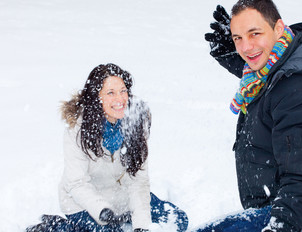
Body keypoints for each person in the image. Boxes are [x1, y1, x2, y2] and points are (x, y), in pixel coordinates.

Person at [197, 0, 302, 232]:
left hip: (301, 216)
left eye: (254, 34)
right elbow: (268, 79)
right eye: (238, 38)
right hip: (277, 209)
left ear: (278, 28)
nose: (245, 47)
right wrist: (230, 53)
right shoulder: (278, 71)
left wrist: (280, 226)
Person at [26, 63, 188, 232]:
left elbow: (138, 183)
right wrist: (102, 211)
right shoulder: (78, 129)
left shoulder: (135, 122)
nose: (120, 99)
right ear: (96, 97)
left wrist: (142, 227)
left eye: (123, 91)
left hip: (121, 198)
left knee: (177, 220)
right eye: (111, 93)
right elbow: (77, 183)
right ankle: (58, 228)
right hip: (83, 203)